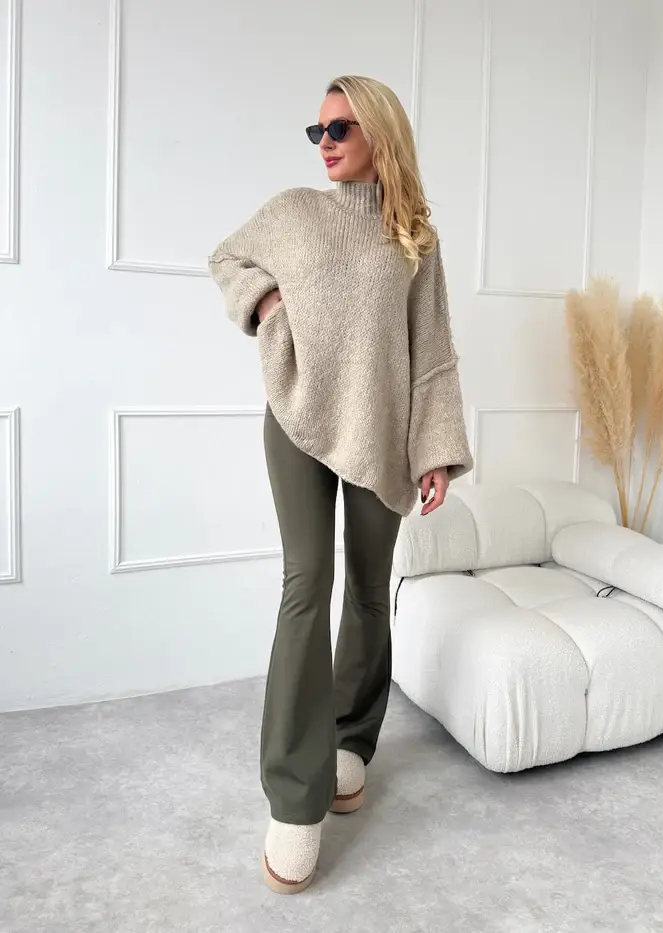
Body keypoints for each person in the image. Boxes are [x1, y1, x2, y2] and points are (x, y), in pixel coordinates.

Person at [208, 74, 472, 894]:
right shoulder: (294, 211)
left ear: (379, 132)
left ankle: (351, 739)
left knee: (366, 587)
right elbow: (226, 257)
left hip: (381, 431)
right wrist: (264, 300)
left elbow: (431, 353)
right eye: (316, 131)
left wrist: (434, 451)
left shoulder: (415, 239)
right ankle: (295, 796)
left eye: (339, 128)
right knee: (305, 585)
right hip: (296, 418)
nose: (324, 143)